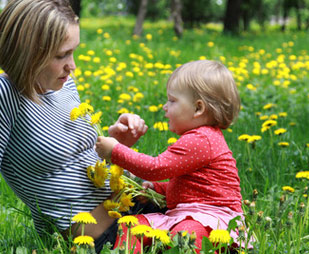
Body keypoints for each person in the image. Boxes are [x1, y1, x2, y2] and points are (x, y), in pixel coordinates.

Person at [0, 1, 148, 253]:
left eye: (73, 52)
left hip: (132, 200)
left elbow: (74, 160)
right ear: (27, 53)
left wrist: (117, 143)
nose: (72, 66)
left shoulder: (63, 84)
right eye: (61, 55)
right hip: (98, 233)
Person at [96, 60, 244, 253]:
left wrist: (115, 151)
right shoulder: (200, 137)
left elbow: (155, 168)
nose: (165, 107)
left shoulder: (201, 139)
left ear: (198, 109)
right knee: (130, 225)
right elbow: (193, 187)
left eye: (172, 101)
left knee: (186, 234)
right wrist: (157, 188)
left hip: (211, 218)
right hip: (187, 213)